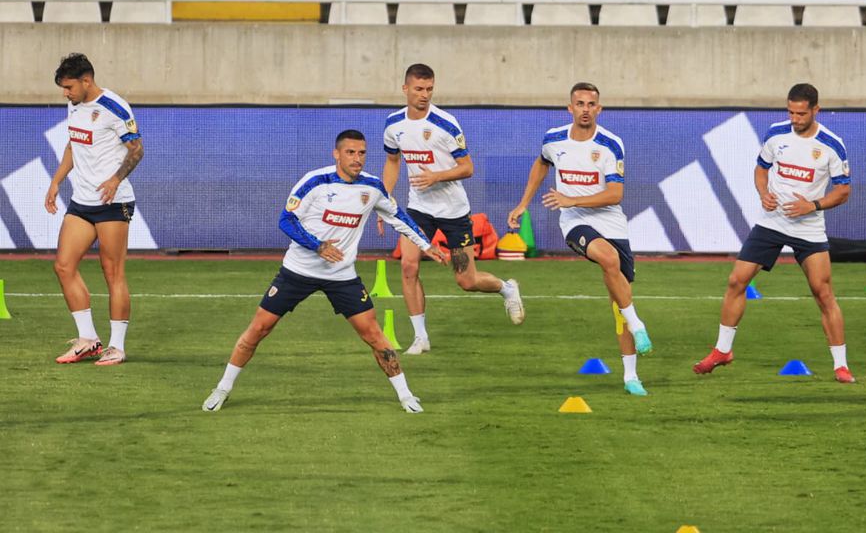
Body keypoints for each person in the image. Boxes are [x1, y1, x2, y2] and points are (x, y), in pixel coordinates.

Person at [202, 130, 448, 413]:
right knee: (259, 328)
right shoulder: (314, 182)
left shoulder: (372, 187)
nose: (357, 159)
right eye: (350, 152)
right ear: (337, 154)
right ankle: (222, 388)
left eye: (362, 153)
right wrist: (317, 246)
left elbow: (398, 216)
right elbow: (286, 220)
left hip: (341, 276)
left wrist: (425, 245)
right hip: (298, 271)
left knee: (374, 334)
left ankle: (406, 396)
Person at [693, 83, 856, 383]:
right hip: (772, 223)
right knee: (736, 281)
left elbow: (843, 191)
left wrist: (812, 205)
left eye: (801, 114)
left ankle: (841, 366)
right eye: (791, 112)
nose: (795, 119)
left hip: (808, 228)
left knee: (823, 293)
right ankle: (722, 351)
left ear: (816, 110)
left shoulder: (832, 144)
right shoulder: (776, 133)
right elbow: (761, 168)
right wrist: (763, 192)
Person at [506, 82, 652, 396]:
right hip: (574, 223)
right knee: (609, 259)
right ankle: (638, 324)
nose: (585, 109)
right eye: (580, 104)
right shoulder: (554, 139)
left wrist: (572, 198)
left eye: (591, 104)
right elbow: (541, 164)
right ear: (570, 108)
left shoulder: (611, 144)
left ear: (599, 109)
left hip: (612, 224)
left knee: (619, 301)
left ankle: (631, 377)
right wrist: (523, 203)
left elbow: (615, 194)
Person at [381, 63, 524, 355]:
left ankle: (506, 288)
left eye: (429, 89)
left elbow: (467, 168)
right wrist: (384, 200)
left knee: (466, 281)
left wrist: (436, 176)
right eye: (419, 89)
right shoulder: (393, 124)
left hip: (454, 211)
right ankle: (421, 337)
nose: (424, 94)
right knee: (408, 266)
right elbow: (393, 161)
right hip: (418, 208)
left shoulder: (446, 124)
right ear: (405, 89)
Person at [44, 53, 143, 367]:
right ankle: (88, 340)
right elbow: (73, 145)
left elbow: (137, 150)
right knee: (63, 266)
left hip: (113, 203)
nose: (65, 93)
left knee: (112, 273)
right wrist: (56, 181)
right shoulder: (74, 105)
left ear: (86, 80)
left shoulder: (115, 107)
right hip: (82, 202)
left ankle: (116, 347)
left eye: (69, 87)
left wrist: (115, 179)